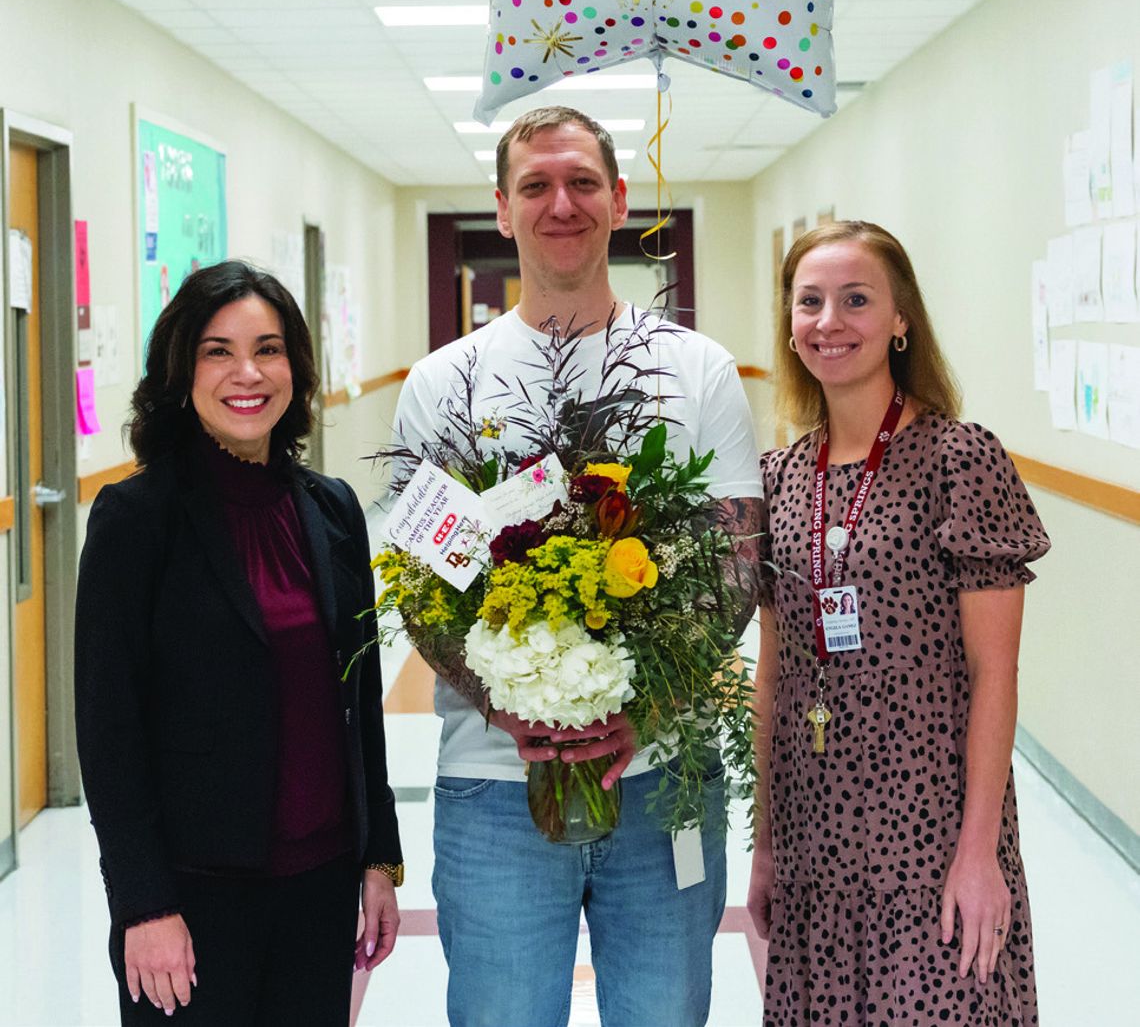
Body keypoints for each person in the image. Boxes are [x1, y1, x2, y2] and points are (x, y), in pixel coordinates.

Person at [392, 105, 762, 1027]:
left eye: (583, 182)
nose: (562, 203)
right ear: (504, 209)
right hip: (493, 788)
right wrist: (507, 706)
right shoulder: (444, 383)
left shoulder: (695, 370)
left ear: (619, 199)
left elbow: (734, 565)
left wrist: (644, 711)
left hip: (665, 782)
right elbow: (425, 591)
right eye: (536, 186)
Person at [75, 261, 402, 1025]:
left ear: (296, 366)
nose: (247, 372)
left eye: (269, 348)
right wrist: (143, 903)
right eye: (217, 351)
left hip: (319, 889)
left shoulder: (332, 508)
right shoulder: (136, 518)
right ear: (180, 369)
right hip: (191, 897)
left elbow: (360, 698)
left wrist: (378, 859)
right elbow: (107, 729)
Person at [748, 220, 1047, 1025]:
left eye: (856, 300)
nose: (828, 322)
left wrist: (979, 854)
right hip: (816, 831)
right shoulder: (778, 478)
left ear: (900, 319)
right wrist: (767, 845)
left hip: (931, 828)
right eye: (809, 302)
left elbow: (995, 674)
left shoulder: (959, 461)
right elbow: (772, 679)